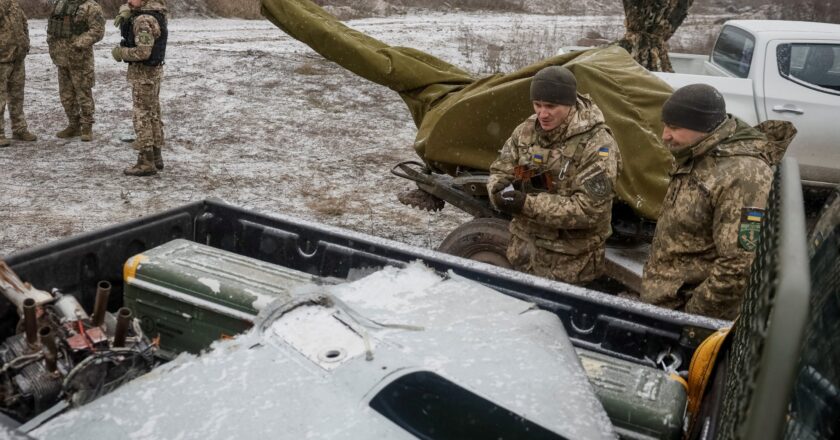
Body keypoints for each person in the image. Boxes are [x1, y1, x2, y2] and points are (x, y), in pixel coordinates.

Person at [641, 83, 779, 320]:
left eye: (674, 127)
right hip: (666, 302)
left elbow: (739, 267)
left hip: (688, 315)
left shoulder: (744, 176)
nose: (665, 135)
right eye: (665, 125)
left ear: (703, 127)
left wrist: (693, 317)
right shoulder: (697, 152)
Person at [486, 66, 621, 285]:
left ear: (569, 104)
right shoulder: (525, 131)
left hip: (569, 267)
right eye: (537, 105)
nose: (542, 114)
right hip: (523, 255)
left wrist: (525, 205)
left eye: (551, 106)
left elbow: (590, 209)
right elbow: (500, 170)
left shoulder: (598, 144)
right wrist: (497, 191)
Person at [112, 0, 167, 176]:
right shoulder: (155, 13)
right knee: (153, 114)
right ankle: (156, 156)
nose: (128, 1)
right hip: (153, 74)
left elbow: (143, 52)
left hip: (144, 75)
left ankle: (146, 161)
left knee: (142, 115)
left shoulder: (143, 20)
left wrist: (122, 53)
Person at [46, 0, 105, 142]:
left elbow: (97, 31)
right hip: (61, 57)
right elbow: (53, 26)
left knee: (83, 93)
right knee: (66, 95)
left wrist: (78, 43)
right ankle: (73, 125)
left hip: (80, 59)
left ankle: (86, 127)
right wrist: (51, 44)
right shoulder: (60, 3)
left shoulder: (91, 6)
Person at [0, 0, 37, 147]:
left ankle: (19, 129)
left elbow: (23, 23)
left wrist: (25, 42)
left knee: (17, 95)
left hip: (17, 57)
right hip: (2, 57)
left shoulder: (14, 4)